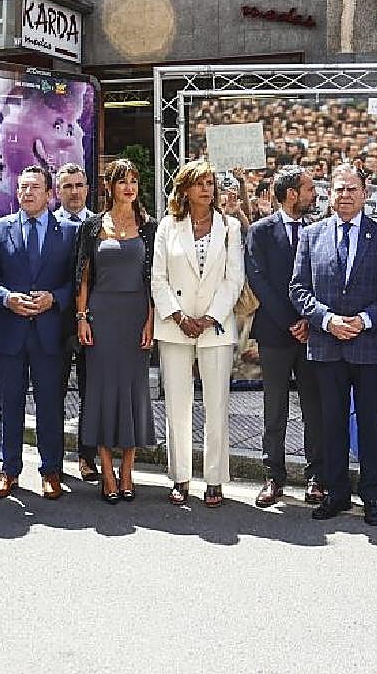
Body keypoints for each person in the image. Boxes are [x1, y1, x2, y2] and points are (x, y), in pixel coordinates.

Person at [290, 163, 377, 526]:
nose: (344, 195)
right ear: (330, 193)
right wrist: (327, 320)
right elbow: (298, 288)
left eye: (351, 189)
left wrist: (365, 320)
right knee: (331, 423)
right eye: (338, 189)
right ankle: (336, 492)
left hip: (370, 346)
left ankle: (372, 496)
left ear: (365, 194)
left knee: (369, 423)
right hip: (327, 345)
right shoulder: (311, 235)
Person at [151, 159, 244, 507]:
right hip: (174, 326)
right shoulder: (168, 226)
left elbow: (234, 279)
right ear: (186, 189)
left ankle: (215, 479)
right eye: (200, 182)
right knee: (177, 405)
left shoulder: (230, 227)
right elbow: (157, 278)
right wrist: (177, 316)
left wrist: (208, 318)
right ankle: (180, 478)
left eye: (211, 182)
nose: (207, 188)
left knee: (216, 405)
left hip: (215, 327)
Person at [0, 166, 78, 501]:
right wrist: (7, 298)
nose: (27, 193)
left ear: (49, 193)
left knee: (50, 405)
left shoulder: (68, 231)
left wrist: (55, 298)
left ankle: (51, 470)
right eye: (22, 187)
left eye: (35, 187)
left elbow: (76, 282)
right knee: (9, 404)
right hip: (11, 330)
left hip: (50, 331)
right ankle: (8, 470)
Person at [74, 159, 157, 503]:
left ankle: (127, 472)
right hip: (101, 317)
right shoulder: (92, 227)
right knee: (102, 393)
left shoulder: (150, 227)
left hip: (137, 314)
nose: (129, 187)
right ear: (109, 186)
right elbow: (83, 276)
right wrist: (81, 317)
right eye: (122, 181)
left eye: (134, 181)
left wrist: (150, 321)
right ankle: (107, 472)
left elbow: (153, 280)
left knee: (134, 392)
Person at [244, 165, 325, 507]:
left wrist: (308, 320)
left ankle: (315, 477)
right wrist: (291, 321)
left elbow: (323, 278)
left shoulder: (317, 230)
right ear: (292, 193)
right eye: (309, 189)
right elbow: (258, 280)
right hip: (275, 334)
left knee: (314, 410)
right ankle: (273, 477)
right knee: (274, 410)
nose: (314, 195)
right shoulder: (260, 232)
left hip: (311, 335)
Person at [54, 162, 97, 481]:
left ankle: (87, 456)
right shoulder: (48, 224)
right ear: (57, 191)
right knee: (52, 393)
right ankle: (52, 461)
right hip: (54, 324)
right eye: (67, 186)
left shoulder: (100, 226)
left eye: (79, 185)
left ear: (87, 188)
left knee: (90, 392)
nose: (74, 192)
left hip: (90, 322)